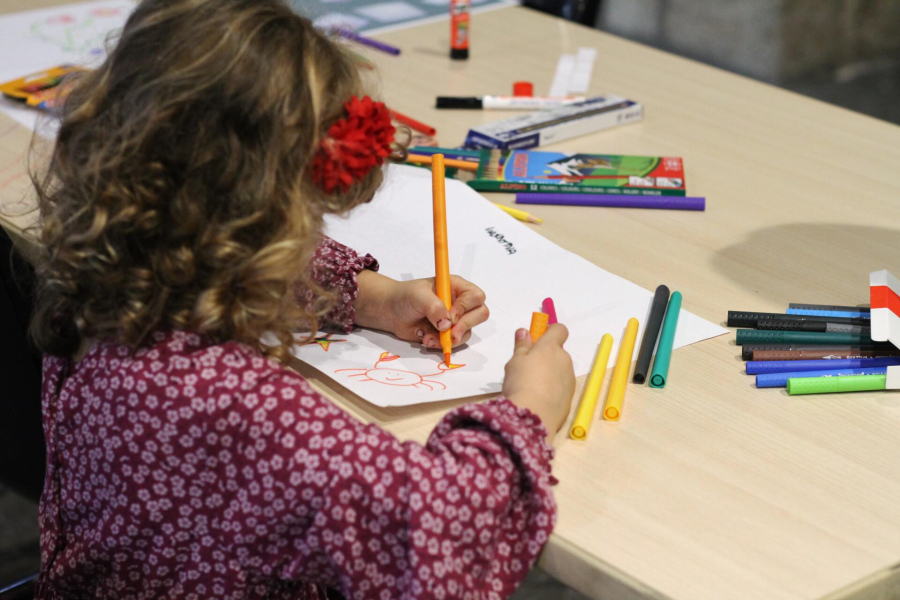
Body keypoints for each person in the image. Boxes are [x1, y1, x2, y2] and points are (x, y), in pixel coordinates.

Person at [28, 1, 575, 598]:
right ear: (266, 220)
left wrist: (371, 297)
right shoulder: (237, 409)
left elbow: (207, 255)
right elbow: (441, 527)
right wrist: (531, 407)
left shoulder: (104, 270)